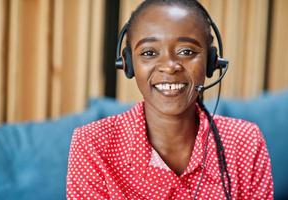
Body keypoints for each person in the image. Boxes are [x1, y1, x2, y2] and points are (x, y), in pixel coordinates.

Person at [66, 0, 273, 199]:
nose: (170, 66)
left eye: (186, 51)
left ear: (211, 62)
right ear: (128, 64)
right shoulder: (92, 144)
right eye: (149, 52)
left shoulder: (245, 141)